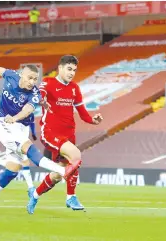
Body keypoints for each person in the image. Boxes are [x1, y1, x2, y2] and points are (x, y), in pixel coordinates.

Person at [0, 62, 81, 217]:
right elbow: (1, 70)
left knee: (12, 171)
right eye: (30, 78)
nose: (32, 82)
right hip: (4, 124)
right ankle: (63, 171)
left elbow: (27, 110)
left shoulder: (34, 93)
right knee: (29, 150)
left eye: (35, 79)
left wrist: (16, 117)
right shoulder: (12, 76)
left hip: (19, 126)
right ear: (22, 74)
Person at [27, 55, 103, 214]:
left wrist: (93, 120)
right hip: (50, 133)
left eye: (74, 70)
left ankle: (34, 195)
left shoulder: (74, 88)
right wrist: (41, 100)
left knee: (57, 174)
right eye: (69, 69)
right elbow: (39, 95)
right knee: (76, 155)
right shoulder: (48, 83)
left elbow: (82, 113)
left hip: (68, 136)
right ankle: (71, 197)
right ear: (60, 68)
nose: (72, 73)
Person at [0, 122, 38, 197]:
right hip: (15, 142)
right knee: (25, 162)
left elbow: (31, 121)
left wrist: (33, 133)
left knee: (15, 166)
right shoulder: (15, 115)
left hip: (22, 142)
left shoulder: (27, 113)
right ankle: (31, 187)